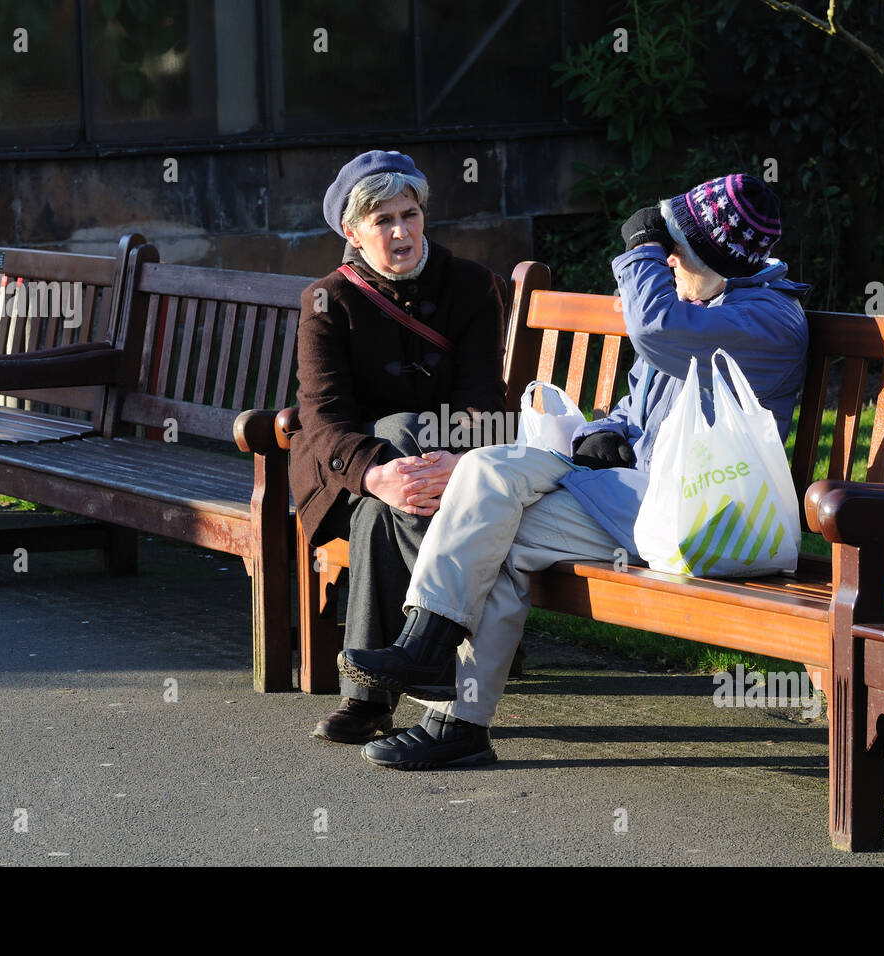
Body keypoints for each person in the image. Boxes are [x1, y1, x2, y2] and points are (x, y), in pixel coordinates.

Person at [340, 173, 810, 769]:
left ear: (720, 259)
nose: (666, 264)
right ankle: (441, 680)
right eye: (663, 254)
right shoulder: (701, 306)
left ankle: (442, 688)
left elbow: (652, 328)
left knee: (494, 508)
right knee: (488, 490)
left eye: (677, 254)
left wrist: (637, 249)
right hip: (640, 495)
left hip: (703, 514)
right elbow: (634, 399)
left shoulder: (768, 320)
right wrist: (602, 431)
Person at [293, 149, 507, 744]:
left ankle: (368, 700)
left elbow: (484, 399)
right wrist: (376, 474)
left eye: (409, 214)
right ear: (353, 233)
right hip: (347, 477)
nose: (401, 231)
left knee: (394, 479)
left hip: (449, 469)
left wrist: (456, 458)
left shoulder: (471, 286)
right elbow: (323, 416)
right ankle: (435, 661)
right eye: (382, 220)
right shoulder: (326, 301)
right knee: (395, 438)